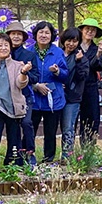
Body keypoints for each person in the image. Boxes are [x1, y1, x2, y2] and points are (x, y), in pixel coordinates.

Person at [0, 33, 31, 166]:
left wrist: (24, 72)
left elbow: (21, 84)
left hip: (13, 107)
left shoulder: (17, 65)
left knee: (14, 139)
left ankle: (13, 164)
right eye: (0, 45)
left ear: (10, 47)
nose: (3, 48)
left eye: (6, 45)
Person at [29, 21, 68, 163]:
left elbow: (65, 75)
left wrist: (57, 71)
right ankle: (28, 157)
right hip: (33, 100)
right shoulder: (29, 51)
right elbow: (22, 75)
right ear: (35, 34)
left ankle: (48, 160)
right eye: (41, 32)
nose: (44, 35)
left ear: (52, 35)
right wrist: (36, 85)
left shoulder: (58, 52)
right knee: (29, 131)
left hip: (53, 99)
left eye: (47, 32)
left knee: (50, 132)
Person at [6, 22, 40, 164]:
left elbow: (36, 77)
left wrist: (24, 72)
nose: (16, 37)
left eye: (19, 34)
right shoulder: (2, 54)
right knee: (12, 128)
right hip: (7, 97)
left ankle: (30, 153)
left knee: (27, 123)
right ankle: (14, 157)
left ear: (24, 37)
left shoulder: (29, 55)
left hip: (25, 97)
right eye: (13, 34)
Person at [59, 27, 89, 158]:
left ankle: (67, 156)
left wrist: (79, 62)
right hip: (56, 96)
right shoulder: (57, 54)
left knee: (68, 129)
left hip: (72, 98)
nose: (71, 44)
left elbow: (82, 77)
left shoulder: (81, 57)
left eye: (75, 41)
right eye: (69, 40)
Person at [77, 18, 102, 144]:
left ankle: (88, 149)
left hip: (91, 87)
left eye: (93, 30)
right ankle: (68, 151)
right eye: (87, 29)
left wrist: (99, 54)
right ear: (82, 30)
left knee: (92, 118)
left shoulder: (97, 49)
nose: (90, 32)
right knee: (70, 119)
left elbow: (97, 67)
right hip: (75, 87)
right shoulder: (74, 46)